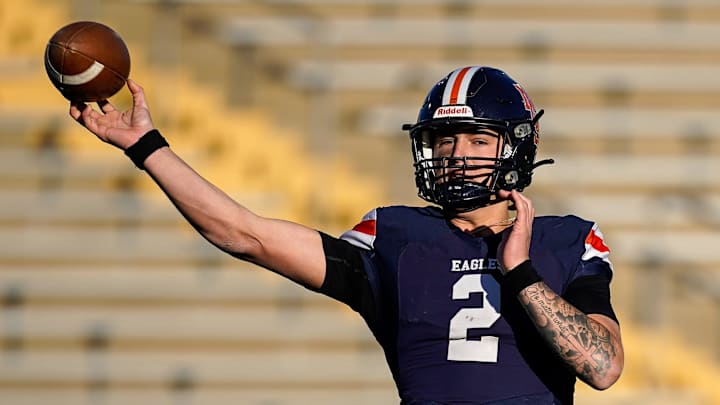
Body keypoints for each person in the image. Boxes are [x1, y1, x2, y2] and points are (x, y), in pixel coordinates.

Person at [69, 65, 624, 404]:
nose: (457, 155)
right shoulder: (396, 237)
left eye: (476, 139)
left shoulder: (566, 241)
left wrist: (522, 271)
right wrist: (146, 148)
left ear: (515, 146)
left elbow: (602, 368)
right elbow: (246, 235)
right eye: (445, 140)